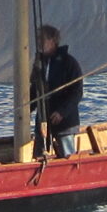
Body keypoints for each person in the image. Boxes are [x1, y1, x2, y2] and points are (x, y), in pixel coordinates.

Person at [31, 25, 83, 158]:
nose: (39, 42)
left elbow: (77, 92)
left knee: (67, 155)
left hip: (64, 120)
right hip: (43, 119)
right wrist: (25, 111)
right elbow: (35, 89)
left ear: (53, 40)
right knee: (39, 155)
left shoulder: (69, 63)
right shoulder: (39, 63)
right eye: (37, 39)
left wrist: (62, 112)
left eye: (42, 38)